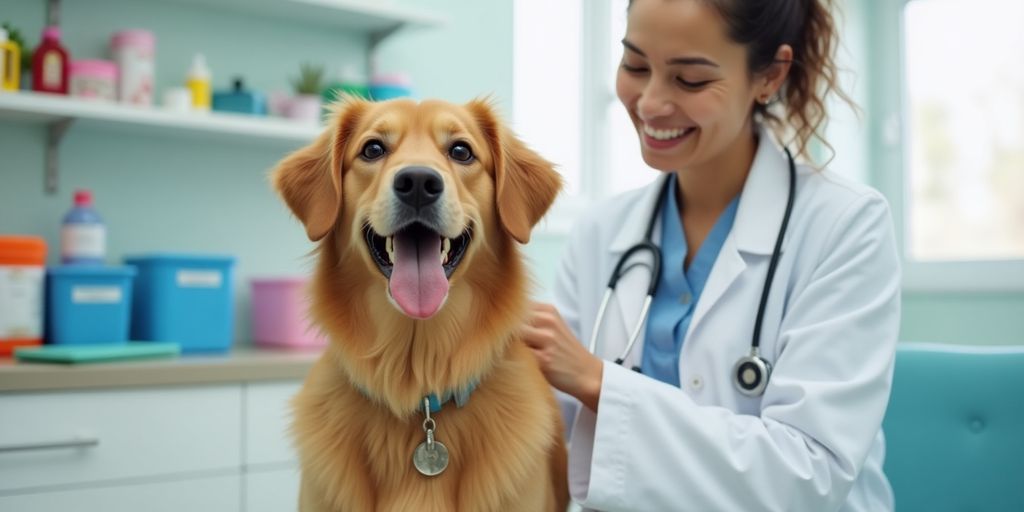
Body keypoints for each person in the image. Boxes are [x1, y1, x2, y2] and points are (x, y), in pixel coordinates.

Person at [521, 0, 901, 510]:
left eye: (691, 80)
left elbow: (808, 476)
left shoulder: (845, 227)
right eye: (635, 66)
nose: (651, 102)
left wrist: (598, 382)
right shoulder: (600, 233)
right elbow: (546, 440)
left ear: (770, 75)